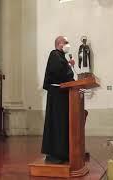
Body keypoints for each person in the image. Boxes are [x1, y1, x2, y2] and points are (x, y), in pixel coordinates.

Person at [42, 36, 75, 164]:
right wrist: (68, 66)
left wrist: (68, 65)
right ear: (59, 44)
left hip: (62, 94)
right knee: (57, 123)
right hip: (56, 95)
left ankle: (64, 151)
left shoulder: (61, 57)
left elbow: (64, 73)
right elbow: (58, 73)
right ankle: (56, 153)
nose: (68, 44)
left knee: (62, 123)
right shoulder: (54, 54)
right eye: (66, 42)